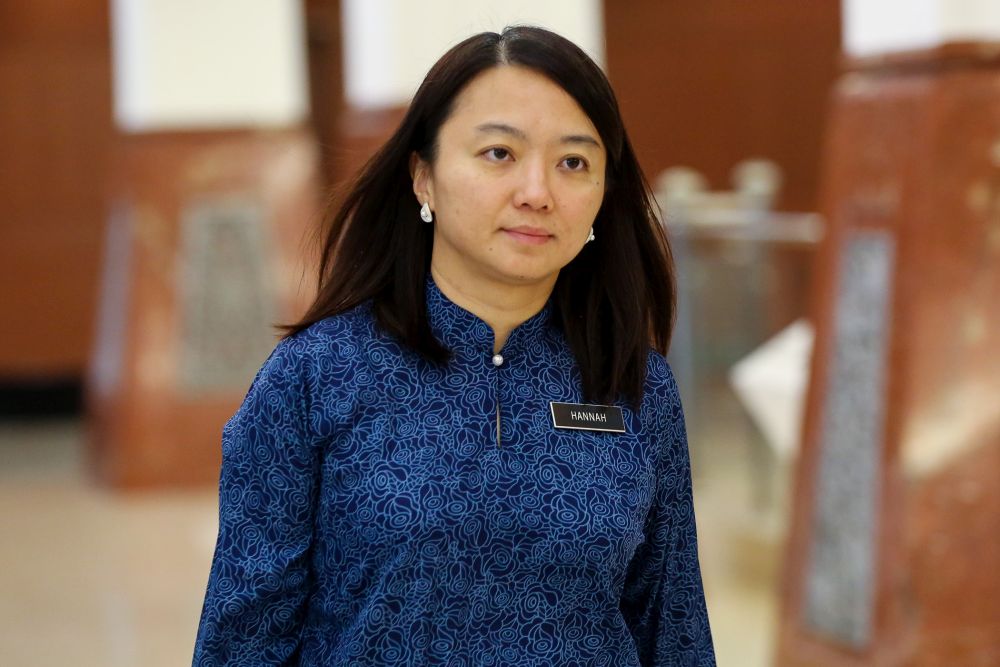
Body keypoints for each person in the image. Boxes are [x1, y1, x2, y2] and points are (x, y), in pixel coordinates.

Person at [193, 25, 715, 666]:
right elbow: (242, 640)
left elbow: (674, 632)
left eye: (573, 162)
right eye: (499, 153)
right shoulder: (315, 378)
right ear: (424, 178)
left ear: (604, 197)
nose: (536, 192)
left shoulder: (634, 384)